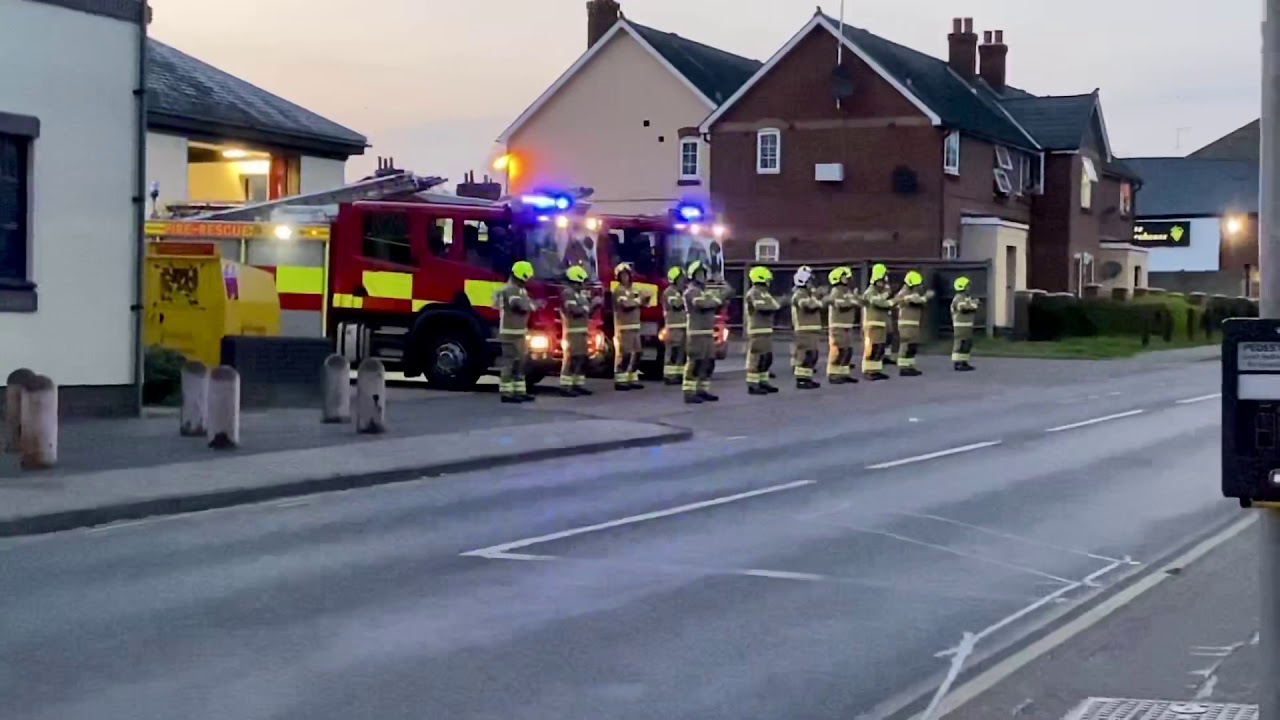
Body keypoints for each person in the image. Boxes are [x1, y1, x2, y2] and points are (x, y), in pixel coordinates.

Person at [495, 260, 538, 403]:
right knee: (509, 363)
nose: (525, 282)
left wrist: (531, 305)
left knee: (520, 363)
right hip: (509, 333)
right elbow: (519, 305)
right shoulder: (509, 290)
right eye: (524, 279)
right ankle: (507, 393)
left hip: (520, 333)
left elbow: (528, 305)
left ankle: (519, 391)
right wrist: (531, 305)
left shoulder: (520, 290)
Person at [682, 260, 724, 403]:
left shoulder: (704, 291)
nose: (702, 276)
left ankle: (702, 389)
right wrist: (716, 300)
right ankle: (689, 392)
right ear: (693, 276)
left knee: (708, 362)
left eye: (703, 273)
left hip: (707, 333)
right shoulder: (691, 292)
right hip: (696, 333)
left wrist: (718, 296)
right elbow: (702, 304)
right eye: (699, 274)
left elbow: (719, 300)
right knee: (695, 362)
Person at [743, 266, 781, 395]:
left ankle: (763, 381)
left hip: (766, 330)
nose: (769, 282)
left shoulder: (764, 293)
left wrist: (772, 305)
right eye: (767, 279)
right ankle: (753, 384)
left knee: (766, 358)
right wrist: (771, 305)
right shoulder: (753, 293)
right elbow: (762, 306)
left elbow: (775, 305)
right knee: (756, 358)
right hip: (757, 330)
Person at [612, 262, 649, 391]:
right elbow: (626, 305)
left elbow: (643, 303)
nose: (625, 277)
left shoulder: (634, 290)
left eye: (627, 275)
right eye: (622, 275)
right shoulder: (618, 291)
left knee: (637, 353)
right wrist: (638, 300)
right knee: (625, 354)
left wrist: (645, 298)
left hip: (635, 327)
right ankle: (620, 380)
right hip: (624, 329)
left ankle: (632, 378)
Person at [558, 264, 595, 396]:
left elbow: (587, 311)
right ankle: (565, 386)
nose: (583, 286)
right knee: (571, 359)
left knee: (581, 358)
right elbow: (574, 310)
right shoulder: (567, 293)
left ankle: (577, 384)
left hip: (582, 333)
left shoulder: (580, 295)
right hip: (572, 333)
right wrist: (587, 307)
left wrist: (593, 306)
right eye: (581, 283)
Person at [790, 265, 825, 389]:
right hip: (804, 330)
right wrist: (818, 300)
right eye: (810, 281)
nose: (812, 284)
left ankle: (807, 378)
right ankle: (801, 380)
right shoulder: (799, 294)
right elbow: (809, 306)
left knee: (812, 355)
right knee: (805, 355)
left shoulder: (808, 294)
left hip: (811, 329)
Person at [895, 270, 934, 376]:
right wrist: (926, 297)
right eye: (916, 285)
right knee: (906, 345)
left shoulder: (913, 293)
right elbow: (916, 300)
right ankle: (903, 368)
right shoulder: (904, 293)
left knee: (912, 346)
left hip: (913, 323)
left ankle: (910, 366)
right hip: (906, 324)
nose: (918, 287)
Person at [825, 266, 860, 385]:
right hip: (838, 326)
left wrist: (854, 300)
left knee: (847, 350)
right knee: (837, 350)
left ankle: (844, 373)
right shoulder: (836, 291)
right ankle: (833, 374)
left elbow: (857, 302)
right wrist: (852, 301)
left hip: (847, 325)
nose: (847, 279)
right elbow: (842, 305)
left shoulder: (847, 291)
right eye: (844, 277)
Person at [861, 263, 895, 381]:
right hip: (872, 326)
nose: (885, 282)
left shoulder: (880, 292)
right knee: (872, 348)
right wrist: (892, 300)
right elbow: (879, 303)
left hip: (880, 325)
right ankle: (868, 371)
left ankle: (875, 370)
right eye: (883, 279)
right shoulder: (870, 292)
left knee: (879, 348)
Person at [662, 266, 689, 385]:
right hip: (673, 327)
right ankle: (669, 375)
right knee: (673, 351)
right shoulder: (669, 292)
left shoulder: (682, 291)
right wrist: (686, 298)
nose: (683, 281)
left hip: (684, 326)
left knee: (682, 352)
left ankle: (679, 374)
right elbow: (677, 304)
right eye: (681, 278)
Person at [951, 276, 981, 371]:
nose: (969, 288)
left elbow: (969, 305)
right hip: (960, 326)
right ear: (962, 287)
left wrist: (973, 303)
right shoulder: (958, 298)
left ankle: (964, 362)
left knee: (966, 344)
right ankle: (958, 363)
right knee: (960, 344)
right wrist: (974, 304)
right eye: (967, 286)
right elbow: (964, 308)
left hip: (967, 326)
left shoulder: (966, 298)